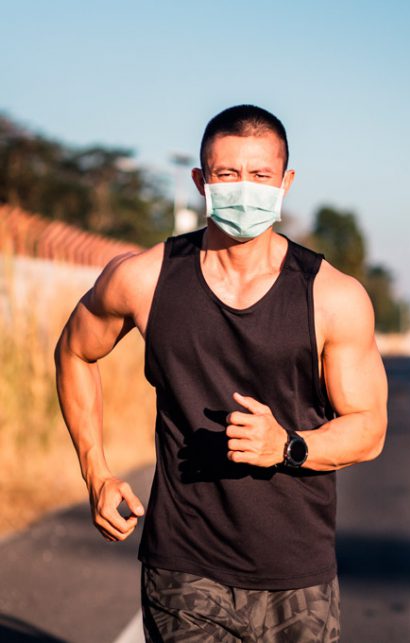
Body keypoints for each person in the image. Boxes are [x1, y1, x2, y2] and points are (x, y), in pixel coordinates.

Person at [55, 104, 388, 642]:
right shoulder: (142, 279)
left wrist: (288, 446)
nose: (244, 188)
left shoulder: (333, 296)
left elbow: (369, 428)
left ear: (286, 182)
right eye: (227, 174)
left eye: (260, 176)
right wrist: (96, 472)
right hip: (184, 564)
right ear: (200, 181)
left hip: (296, 575)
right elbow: (74, 352)